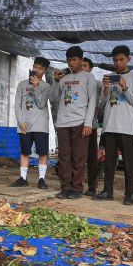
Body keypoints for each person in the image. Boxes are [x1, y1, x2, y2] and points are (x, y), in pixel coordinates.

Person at [93, 45, 133, 205]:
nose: (118, 63)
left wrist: (125, 87)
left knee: (129, 161)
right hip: (109, 125)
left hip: (126, 126)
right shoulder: (110, 77)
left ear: (129, 59)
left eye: (121, 60)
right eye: (115, 60)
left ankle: (130, 193)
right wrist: (106, 89)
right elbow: (102, 105)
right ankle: (108, 191)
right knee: (109, 162)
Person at [49, 46, 97, 199]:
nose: (71, 63)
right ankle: (65, 187)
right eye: (69, 60)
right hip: (63, 122)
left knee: (78, 157)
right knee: (64, 157)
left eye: (74, 60)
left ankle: (76, 189)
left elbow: (93, 101)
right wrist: (56, 81)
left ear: (81, 60)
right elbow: (53, 98)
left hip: (80, 122)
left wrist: (88, 123)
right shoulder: (63, 78)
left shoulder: (89, 78)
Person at [11, 57, 51, 189]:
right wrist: (20, 121)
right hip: (25, 125)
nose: (36, 70)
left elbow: (41, 104)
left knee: (42, 152)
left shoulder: (46, 86)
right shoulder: (22, 84)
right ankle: (23, 178)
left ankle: (41, 179)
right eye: (35, 67)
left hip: (41, 125)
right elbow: (17, 105)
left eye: (40, 68)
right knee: (24, 152)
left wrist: (36, 87)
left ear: (45, 70)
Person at [81, 57, 103, 196]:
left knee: (91, 157)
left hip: (91, 125)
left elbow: (98, 104)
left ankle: (92, 186)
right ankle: (75, 185)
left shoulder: (97, 84)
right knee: (77, 157)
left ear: (90, 69)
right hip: (76, 124)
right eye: (80, 65)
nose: (82, 68)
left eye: (85, 66)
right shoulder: (74, 81)